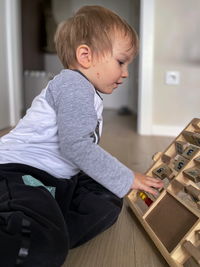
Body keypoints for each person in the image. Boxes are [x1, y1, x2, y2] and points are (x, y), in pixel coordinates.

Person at [0, 5, 163, 267]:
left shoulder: (85, 91)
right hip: (18, 174)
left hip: (56, 178)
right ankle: (43, 233)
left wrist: (116, 180)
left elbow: (80, 150)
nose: (125, 73)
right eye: (121, 62)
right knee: (39, 248)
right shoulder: (73, 85)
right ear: (86, 56)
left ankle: (49, 224)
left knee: (107, 199)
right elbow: (76, 146)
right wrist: (126, 176)